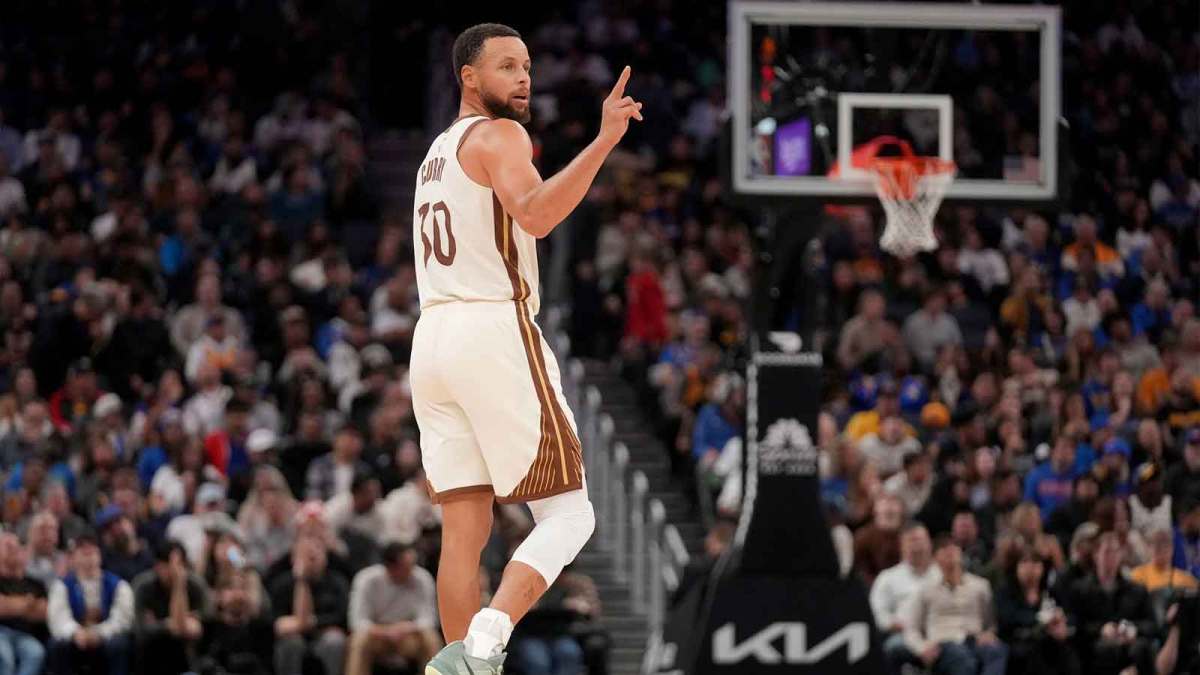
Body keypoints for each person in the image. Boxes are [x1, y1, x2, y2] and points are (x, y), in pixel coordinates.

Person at [413, 22, 640, 674]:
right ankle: (487, 637)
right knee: (571, 515)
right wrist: (603, 142)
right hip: (490, 329)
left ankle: (460, 666)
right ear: (468, 77)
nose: (523, 79)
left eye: (528, 67)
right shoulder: (500, 134)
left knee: (464, 528)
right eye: (507, 67)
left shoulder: (436, 152)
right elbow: (535, 213)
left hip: (432, 342)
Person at [904, 537, 1008, 675]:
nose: (950, 552)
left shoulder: (980, 586)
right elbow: (911, 628)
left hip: (974, 640)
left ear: (961, 554)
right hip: (943, 644)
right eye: (944, 549)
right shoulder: (925, 590)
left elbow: (990, 622)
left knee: (997, 650)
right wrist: (922, 648)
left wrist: (989, 633)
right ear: (935, 558)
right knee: (963, 659)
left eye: (953, 548)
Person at [1066, 532, 1157, 675]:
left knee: (1142, 649)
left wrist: (1133, 629)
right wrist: (1101, 629)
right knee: (1105, 650)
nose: (1112, 557)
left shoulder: (1137, 590)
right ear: (1096, 555)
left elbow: (1152, 625)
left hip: (1131, 646)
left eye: (1116, 552)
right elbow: (1075, 625)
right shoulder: (1080, 589)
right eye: (1107, 552)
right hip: (1096, 649)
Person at [345, 542, 441, 675]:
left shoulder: (422, 578)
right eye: (406, 566)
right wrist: (384, 631)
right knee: (358, 640)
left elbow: (428, 619)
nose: (412, 570)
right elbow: (357, 621)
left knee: (431, 637)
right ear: (390, 567)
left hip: (409, 635)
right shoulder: (366, 579)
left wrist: (406, 627)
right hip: (376, 635)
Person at [46, 534, 134, 675]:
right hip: (77, 637)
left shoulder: (118, 585)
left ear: (99, 556)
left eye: (92, 553)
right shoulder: (62, 586)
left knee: (119, 645)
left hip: (106, 637)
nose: (89, 558)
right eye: (84, 554)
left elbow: (122, 619)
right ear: (73, 558)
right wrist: (76, 633)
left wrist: (99, 633)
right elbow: (58, 618)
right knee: (58, 645)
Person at [269, 534, 348, 675]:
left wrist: (310, 623)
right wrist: (302, 580)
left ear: (326, 557)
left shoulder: (338, 582)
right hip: (294, 637)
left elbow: (341, 617)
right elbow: (277, 622)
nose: (311, 558)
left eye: (317, 552)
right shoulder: (281, 584)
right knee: (291, 643)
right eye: (305, 554)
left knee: (335, 641)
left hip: (324, 634)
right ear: (293, 558)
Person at [995, 546, 1080, 675]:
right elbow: (1009, 617)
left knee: (1067, 650)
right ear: (1016, 567)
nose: (1030, 568)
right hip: (1018, 641)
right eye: (1024, 562)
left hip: (1051, 639)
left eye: (1035, 562)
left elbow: (1070, 615)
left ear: (1042, 568)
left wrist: (1062, 622)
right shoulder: (1005, 591)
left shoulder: (1051, 592)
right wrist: (1044, 620)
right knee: (1036, 650)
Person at [870, 523, 940, 675]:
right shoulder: (887, 578)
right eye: (911, 541)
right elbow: (877, 613)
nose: (916, 547)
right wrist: (892, 623)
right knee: (892, 647)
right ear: (901, 546)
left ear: (930, 543)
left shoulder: (942, 575)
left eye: (920, 540)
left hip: (941, 634)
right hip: (903, 635)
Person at [131, 541, 208, 675]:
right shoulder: (143, 586)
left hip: (187, 658)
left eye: (179, 566)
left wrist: (179, 585)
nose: (175, 572)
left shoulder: (196, 586)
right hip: (151, 657)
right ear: (156, 566)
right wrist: (169, 624)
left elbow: (196, 628)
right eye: (168, 566)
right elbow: (140, 630)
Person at [0, 533, 46, 675]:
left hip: (24, 634)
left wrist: (11, 604)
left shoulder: (35, 583)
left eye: (17, 546)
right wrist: (28, 603)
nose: (14, 549)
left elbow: (43, 613)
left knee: (36, 653)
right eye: (8, 546)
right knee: (5, 656)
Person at [853, 494, 905, 586]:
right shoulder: (863, 537)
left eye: (893, 503)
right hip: (872, 587)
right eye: (885, 504)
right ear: (875, 511)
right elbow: (859, 571)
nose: (890, 508)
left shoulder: (909, 534)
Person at [1130, 527, 1198, 591]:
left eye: (1164, 542)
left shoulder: (1185, 579)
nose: (1159, 546)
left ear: (1172, 548)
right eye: (1155, 542)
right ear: (1148, 547)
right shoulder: (1138, 575)